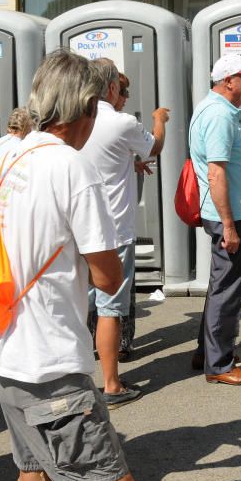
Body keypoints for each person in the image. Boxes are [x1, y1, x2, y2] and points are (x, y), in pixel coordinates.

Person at [0, 50, 135, 481]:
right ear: (85, 107)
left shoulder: (11, 153)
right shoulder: (72, 166)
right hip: (50, 359)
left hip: (5, 345)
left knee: (37, 477)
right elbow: (108, 274)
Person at [83, 59, 170, 406]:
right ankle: (111, 384)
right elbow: (156, 146)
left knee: (80, 305)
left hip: (78, 229)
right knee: (110, 308)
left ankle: (76, 381)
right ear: (112, 88)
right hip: (113, 231)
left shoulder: (75, 121)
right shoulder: (121, 122)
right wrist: (158, 121)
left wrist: (126, 162)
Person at [189, 54, 241, 386]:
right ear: (229, 81)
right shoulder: (219, 115)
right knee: (227, 289)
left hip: (227, 213)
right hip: (229, 216)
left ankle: (209, 351)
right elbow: (216, 173)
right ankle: (218, 364)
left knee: (221, 285)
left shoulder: (216, 110)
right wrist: (230, 226)